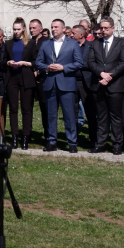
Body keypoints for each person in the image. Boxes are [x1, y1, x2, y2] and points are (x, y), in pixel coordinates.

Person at [34, 19, 85, 153]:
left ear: (63, 29)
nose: (53, 29)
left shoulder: (73, 44)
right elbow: (38, 62)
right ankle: (51, 141)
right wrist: (47, 67)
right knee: (51, 114)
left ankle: (72, 142)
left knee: (69, 115)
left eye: (56, 27)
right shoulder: (46, 44)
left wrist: (63, 67)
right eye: (52, 27)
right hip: (50, 83)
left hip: (67, 83)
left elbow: (79, 63)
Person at [88, 16, 124, 155]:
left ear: (113, 28)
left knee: (116, 116)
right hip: (99, 84)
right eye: (102, 28)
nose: (103, 31)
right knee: (101, 116)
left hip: (115, 85)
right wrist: (101, 74)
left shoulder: (121, 43)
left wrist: (109, 75)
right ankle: (100, 143)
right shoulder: (95, 43)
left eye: (106, 28)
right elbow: (91, 61)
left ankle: (117, 144)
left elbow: (123, 62)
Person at [3, 18, 39, 149]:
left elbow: (36, 61)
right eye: (14, 29)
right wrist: (8, 63)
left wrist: (25, 63)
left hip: (26, 76)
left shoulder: (31, 43)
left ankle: (25, 137)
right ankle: (14, 136)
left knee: (26, 109)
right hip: (12, 77)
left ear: (23, 29)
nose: (16, 32)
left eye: (18, 29)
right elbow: (3, 61)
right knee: (13, 109)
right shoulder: (8, 43)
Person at [71, 25, 96, 143]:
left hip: (85, 82)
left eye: (73, 33)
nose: (71, 35)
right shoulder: (70, 46)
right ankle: (73, 136)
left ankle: (93, 136)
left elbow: (90, 63)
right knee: (73, 110)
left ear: (81, 35)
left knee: (89, 110)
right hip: (72, 81)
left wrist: (78, 64)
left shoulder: (90, 46)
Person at [29, 19, 50, 139]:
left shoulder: (46, 42)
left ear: (41, 29)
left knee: (44, 106)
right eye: (30, 28)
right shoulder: (29, 41)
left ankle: (48, 133)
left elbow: (48, 59)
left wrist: (39, 71)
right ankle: (29, 132)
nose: (31, 30)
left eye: (34, 28)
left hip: (43, 77)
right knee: (28, 105)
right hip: (30, 77)